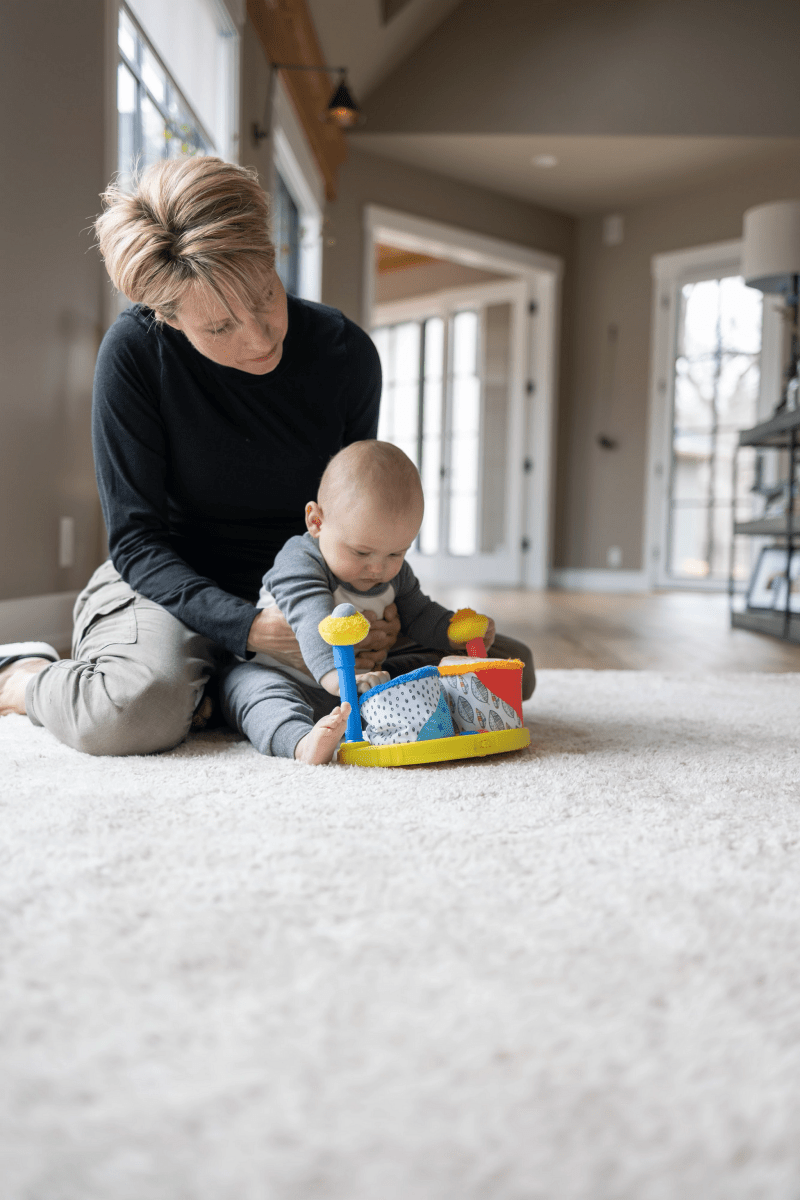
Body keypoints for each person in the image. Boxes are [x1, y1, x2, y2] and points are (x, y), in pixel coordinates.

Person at [0, 155, 534, 755]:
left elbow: (344, 512)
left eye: (264, 297)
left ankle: (222, 688)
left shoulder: (345, 355)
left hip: (306, 587)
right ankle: (25, 679)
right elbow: (137, 543)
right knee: (134, 712)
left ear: (273, 260)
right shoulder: (134, 356)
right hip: (170, 583)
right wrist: (254, 630)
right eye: (220, 327)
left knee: (506, 669)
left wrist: (369, 607)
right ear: (170, 320)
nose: (258, 337)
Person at [219, 440, 498, 764]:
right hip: (282, 676)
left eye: (396, 552)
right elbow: (313, 619)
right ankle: (301, 743)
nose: (379, 568)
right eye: (361, 552)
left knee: (416, 683)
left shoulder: (393, 573)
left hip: (358, 686)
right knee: (256, 694)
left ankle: (387, 725)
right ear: (317, 522)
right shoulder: (300, 560)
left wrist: (454, 631)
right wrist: (336, 678)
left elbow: (419, 612)